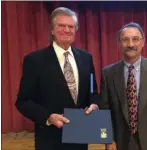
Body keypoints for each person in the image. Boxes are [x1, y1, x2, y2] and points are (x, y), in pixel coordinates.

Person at [15, 7, 98, 150]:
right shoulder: (34, 60)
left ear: (75, 30)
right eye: (61, 25)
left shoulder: (86, 58)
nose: (66, 30)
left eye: (70, 26)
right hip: (50, 139)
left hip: (80, 138)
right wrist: (48, 117)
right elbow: (23, 101)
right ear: (52, 30)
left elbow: (92, 90)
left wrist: (94, 104)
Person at [99, 22, 147, 150]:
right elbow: (104, 113)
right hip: (118, 144)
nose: (130, 44)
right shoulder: (108, 73)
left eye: (135, 39)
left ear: (143, 42)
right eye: (125, 40)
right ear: (119, 44)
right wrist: (107, 139)